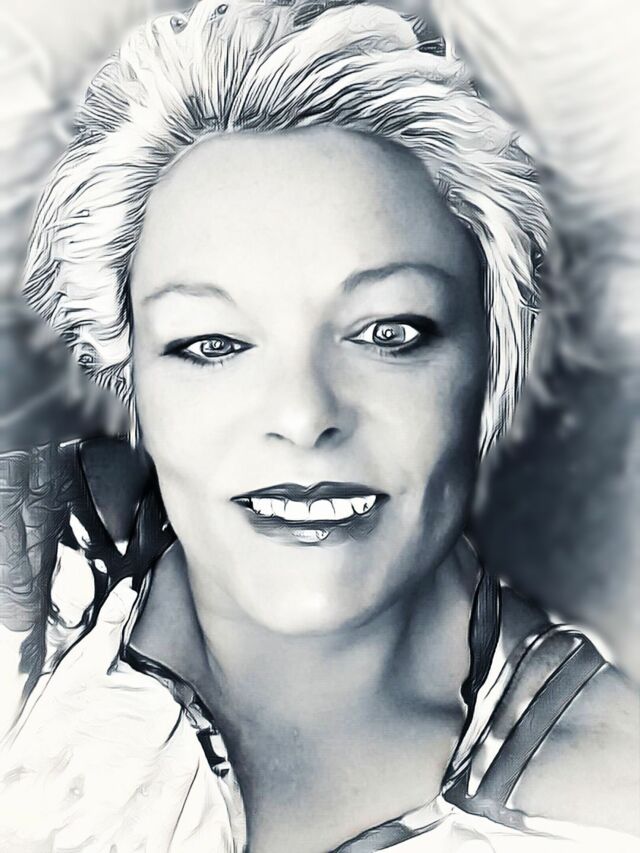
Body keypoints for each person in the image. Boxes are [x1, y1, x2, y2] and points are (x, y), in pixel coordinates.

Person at [1, 1, 638, 851]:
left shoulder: (605, 804)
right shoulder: (28, 570)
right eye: (213, 343)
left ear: (491, 362)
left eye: (388, 333)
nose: (304, 417)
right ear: (131, 373)